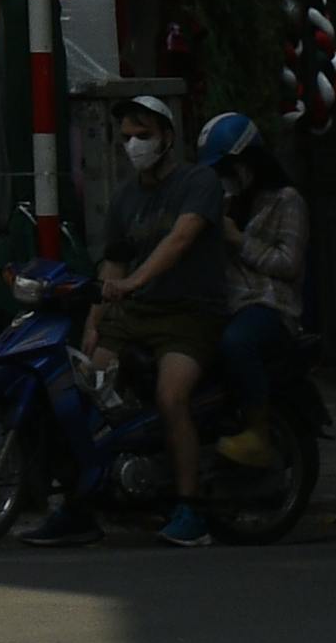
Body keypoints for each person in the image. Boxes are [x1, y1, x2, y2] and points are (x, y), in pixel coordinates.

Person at [79, 95, 231, 541]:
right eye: (126, 137)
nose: (134, 145)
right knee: (88, 387)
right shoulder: (125, 198)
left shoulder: (198, 181)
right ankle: (84, 502)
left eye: (143, 135)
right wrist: (94, 320)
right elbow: (113, 265)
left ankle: (190, 509)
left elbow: (181, 239)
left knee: (171, 397)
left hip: (189, 313)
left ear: (166, 136)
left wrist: (133, 283)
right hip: (134, 314)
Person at [204, 113, 315, 465]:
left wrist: (239, 240)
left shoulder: (286, 201)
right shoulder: (223, 203)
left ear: (249, 161)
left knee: (237, 343)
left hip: (270, 307)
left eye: (228, 168)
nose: (225, 178)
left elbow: (288, 264)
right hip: (226, 304)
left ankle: (258, 432)